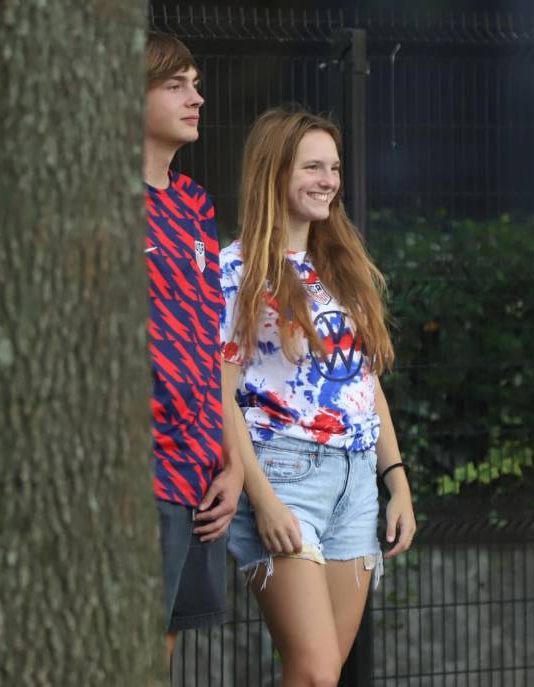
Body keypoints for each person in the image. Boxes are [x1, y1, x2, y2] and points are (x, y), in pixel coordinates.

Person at [220, 106, 416, 686]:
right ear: (274, 172)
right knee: (314, 672)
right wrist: (264, 501)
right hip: (283, 474)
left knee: (323, 677)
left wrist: (396, 482)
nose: (328, 179)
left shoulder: (342, 267)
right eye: (312, 166)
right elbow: (221, 393)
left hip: (357, 486)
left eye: (333, 166)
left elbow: (364, 382)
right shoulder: (237, 271)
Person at [143, 32, 243, 661]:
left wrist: (232, 463)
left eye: (197, 84)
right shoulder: (95, 205)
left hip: (200, 471)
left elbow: (216, 347)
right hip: (141, 467)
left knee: (165, 647)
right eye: (175, 85)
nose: (196, 98)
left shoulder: (196, 205)